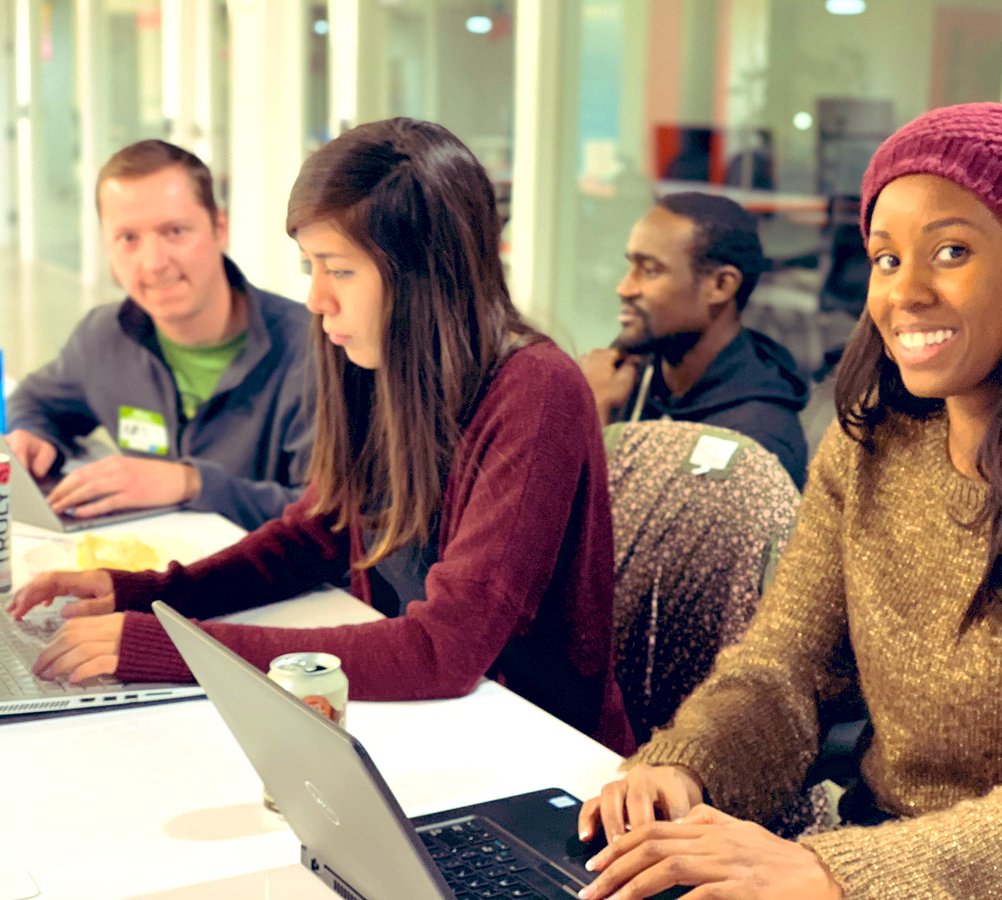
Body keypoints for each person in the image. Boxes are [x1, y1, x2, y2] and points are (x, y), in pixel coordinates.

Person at [573, 102, 1002, 899]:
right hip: (878, 864)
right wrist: (685, 765)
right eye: (885, 257)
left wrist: (833, 872)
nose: (907, 293)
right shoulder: (872, 442)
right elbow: (780, 676)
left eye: (951, 251)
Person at [7, 118, 633, 754]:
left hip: (530, 748)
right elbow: (316, 531)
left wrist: (175, 647)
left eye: (339, 270)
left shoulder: (535, 390)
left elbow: (443, 651)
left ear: (421, 272)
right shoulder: (375, 357)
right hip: (408, 722)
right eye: (311, 267)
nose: (315, 298)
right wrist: (149, 595)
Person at [4, 140, 312, 531]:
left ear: (220, 228)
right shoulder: (104, 337)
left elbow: (333, 520)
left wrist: (190, 483)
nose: (153, 263)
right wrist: (34, 435)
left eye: (175, 231)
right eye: (128, 238)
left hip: (284, 587)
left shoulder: (312, 351)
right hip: (152, 576)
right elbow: (35, 399)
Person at [578, 192, 810, 489]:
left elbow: (625, 531)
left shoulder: (757, 438)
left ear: (720, 286)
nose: (624, 287)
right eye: (630, 267)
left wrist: (592, 411)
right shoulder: (627, 377)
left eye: (650, 271)